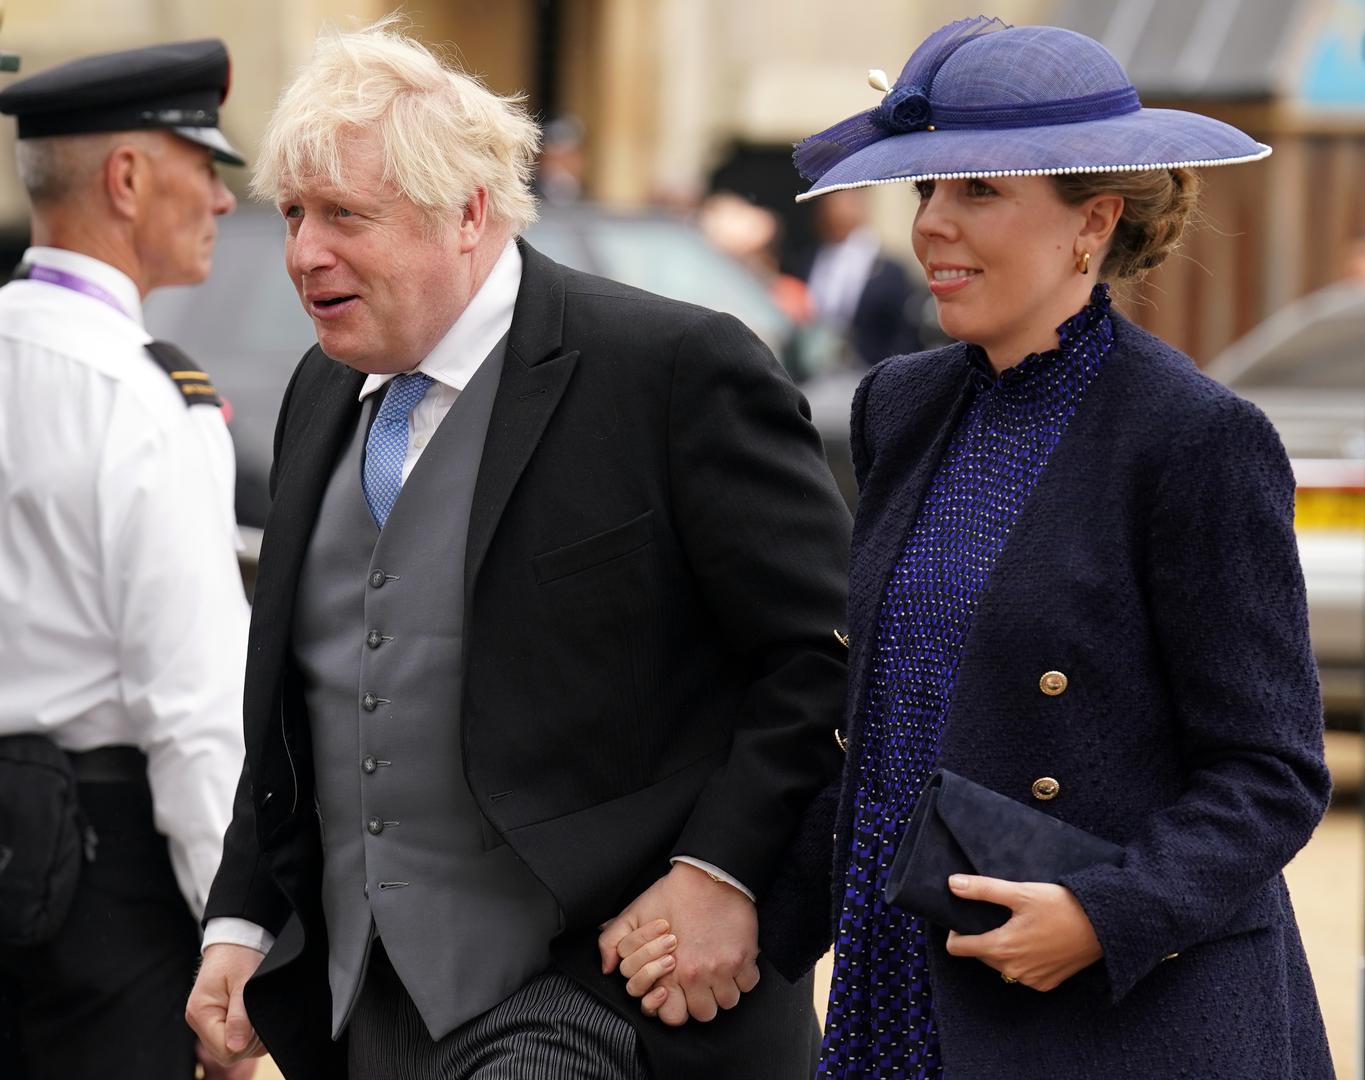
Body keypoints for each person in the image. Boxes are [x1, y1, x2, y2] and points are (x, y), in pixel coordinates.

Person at [184, 20, 851, 1080]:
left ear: (469, 214)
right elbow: (305, 702)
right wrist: (241, 922)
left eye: (345, 216)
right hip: (366, 1008)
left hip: (600, 992)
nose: (304, 252)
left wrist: (720, 866)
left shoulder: (671, 369)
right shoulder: (320, 393)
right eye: (296, 213)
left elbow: (822, 657)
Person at [786, 15, 1333, 1079]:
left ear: (1093, 223)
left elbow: (1271, 770)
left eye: (977, 192)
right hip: (900, 979)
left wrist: (1104, 913)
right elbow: (883, 723)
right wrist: (734, 910)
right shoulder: (901, 404)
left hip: (1118, 1016)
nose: (932, 227)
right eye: (924, 192)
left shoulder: (1196, 440)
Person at [0, 40, 252, 1080]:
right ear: (130, 177)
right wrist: (232, 937)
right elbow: (191, 706)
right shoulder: (141, 394)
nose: (226, 202)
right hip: (100, 881)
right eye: (207, 167)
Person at [791, 187, 926, 366]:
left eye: (847, 201)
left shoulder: (889, 269)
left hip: (873, 369)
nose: (838, 210)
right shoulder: (809, 260)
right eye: (831, 202)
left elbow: (904, 332)